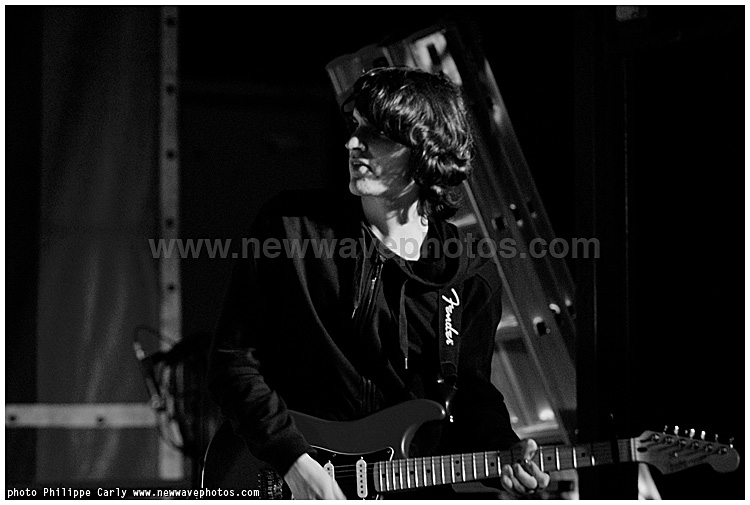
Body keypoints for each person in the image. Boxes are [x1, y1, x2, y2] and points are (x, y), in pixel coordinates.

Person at [208, 66, 550, 499]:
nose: (353, 144)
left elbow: (469, 392)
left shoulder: (469, 272)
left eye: (378, 135)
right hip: (289, 478)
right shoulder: (290, 229)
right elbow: (232, 363)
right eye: (355, 127)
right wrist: (293, 461)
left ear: (427, 151)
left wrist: (503, 448)